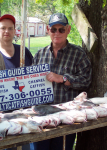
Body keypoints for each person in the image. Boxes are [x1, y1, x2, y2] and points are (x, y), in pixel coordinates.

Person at [30, 13, 92, 150]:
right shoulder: (40, 54)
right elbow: (31, 85)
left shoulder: (78, 54)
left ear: (68, 30)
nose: (57, 33)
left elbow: (86, 81)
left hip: (66, 119)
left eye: (61, 29)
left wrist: (64, 78)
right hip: (42, 119)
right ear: (48, 30)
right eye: (53, 29)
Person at [0, 14, 33, 150]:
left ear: (15, 31)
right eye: (3, 28)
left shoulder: (23, 51)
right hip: (0, 118)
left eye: (10, 28)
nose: (7, 31)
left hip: (24, 117)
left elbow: (33, 77)